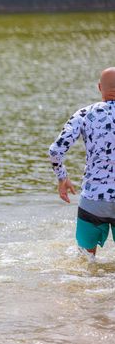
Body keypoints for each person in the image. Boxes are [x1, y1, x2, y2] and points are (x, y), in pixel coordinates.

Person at [48, 67, 115, 261]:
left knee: (86, 261)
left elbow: (55, 150)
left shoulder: (85, 114)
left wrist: (62, 178)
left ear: (100, 87)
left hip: (93, 199)